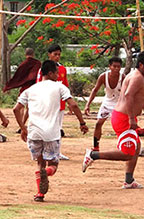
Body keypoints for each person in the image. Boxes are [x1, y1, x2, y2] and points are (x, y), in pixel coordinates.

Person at [82, 51, 144, 189]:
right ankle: (93, 155)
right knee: (127, 153)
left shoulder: (134, 76)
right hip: (123, 119)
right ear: (141, 64)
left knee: (136, 147)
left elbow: (136, 99)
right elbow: (128, 96)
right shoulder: (137, 77)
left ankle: (129, 180)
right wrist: (132, 119)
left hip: (122, 116)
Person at [13, 60, 88, 202]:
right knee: (53, 164)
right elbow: (74, 105)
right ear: (51, 73)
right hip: (51, 133)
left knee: (40, 162)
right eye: (57, 73)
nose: (58, 76)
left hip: (33, 132)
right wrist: (82, 122)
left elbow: (16, 109)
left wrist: (23, 127)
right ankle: (46, 173)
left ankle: (39, 194)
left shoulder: (30, 90)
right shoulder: (60, 87)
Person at [36, 44, 70, 160]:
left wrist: (69, 102)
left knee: (58, 127)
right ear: (49, 55)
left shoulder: (62, 69)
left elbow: (65, 85)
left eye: (59, 54)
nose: (57, 57)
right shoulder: (43, 70)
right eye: (55, 54)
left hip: (59, 103)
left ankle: (57, 151)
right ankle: (42, 150)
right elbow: (38, 85)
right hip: (45, 103)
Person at [84, 57, 125, 152]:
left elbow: (127, 92)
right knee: (99, 123)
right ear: (109, 66)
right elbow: (95, 90)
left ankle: (123, 145)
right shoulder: (103, 76)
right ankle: (96, 146)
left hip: (119, 104)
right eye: (114, 66)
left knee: (121, 126)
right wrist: (87, 104)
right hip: (107, 103)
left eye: (118, 67)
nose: (116, 69)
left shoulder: (123, 77)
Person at [3, 48, 41, 132]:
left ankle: (21, 125)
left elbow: (18, 76)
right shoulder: (38, 63)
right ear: (33, 54)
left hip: (25, 88)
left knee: (20, 106)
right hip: (34, 87)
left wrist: (10, 85)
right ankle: (23, 124)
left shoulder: (24, 64)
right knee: (29, 107)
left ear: (25, 55)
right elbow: (38, 75)